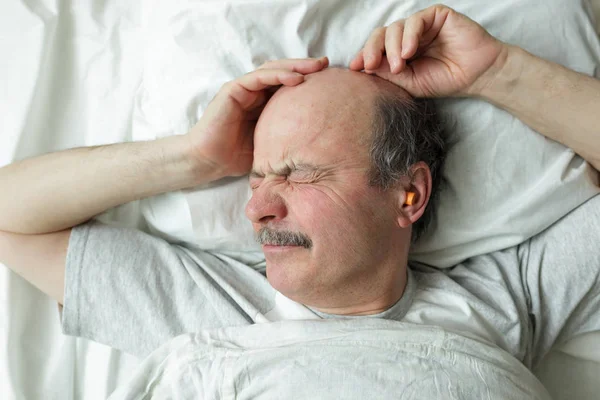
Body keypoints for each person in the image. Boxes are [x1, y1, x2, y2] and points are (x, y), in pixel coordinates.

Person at [0, 2, 599, 380]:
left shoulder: (503, 302)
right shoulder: (201, 309)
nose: (257, 208)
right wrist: (191, 157)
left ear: (408, 195)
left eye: (299, 173)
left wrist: (498, 72)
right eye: (258, 177)